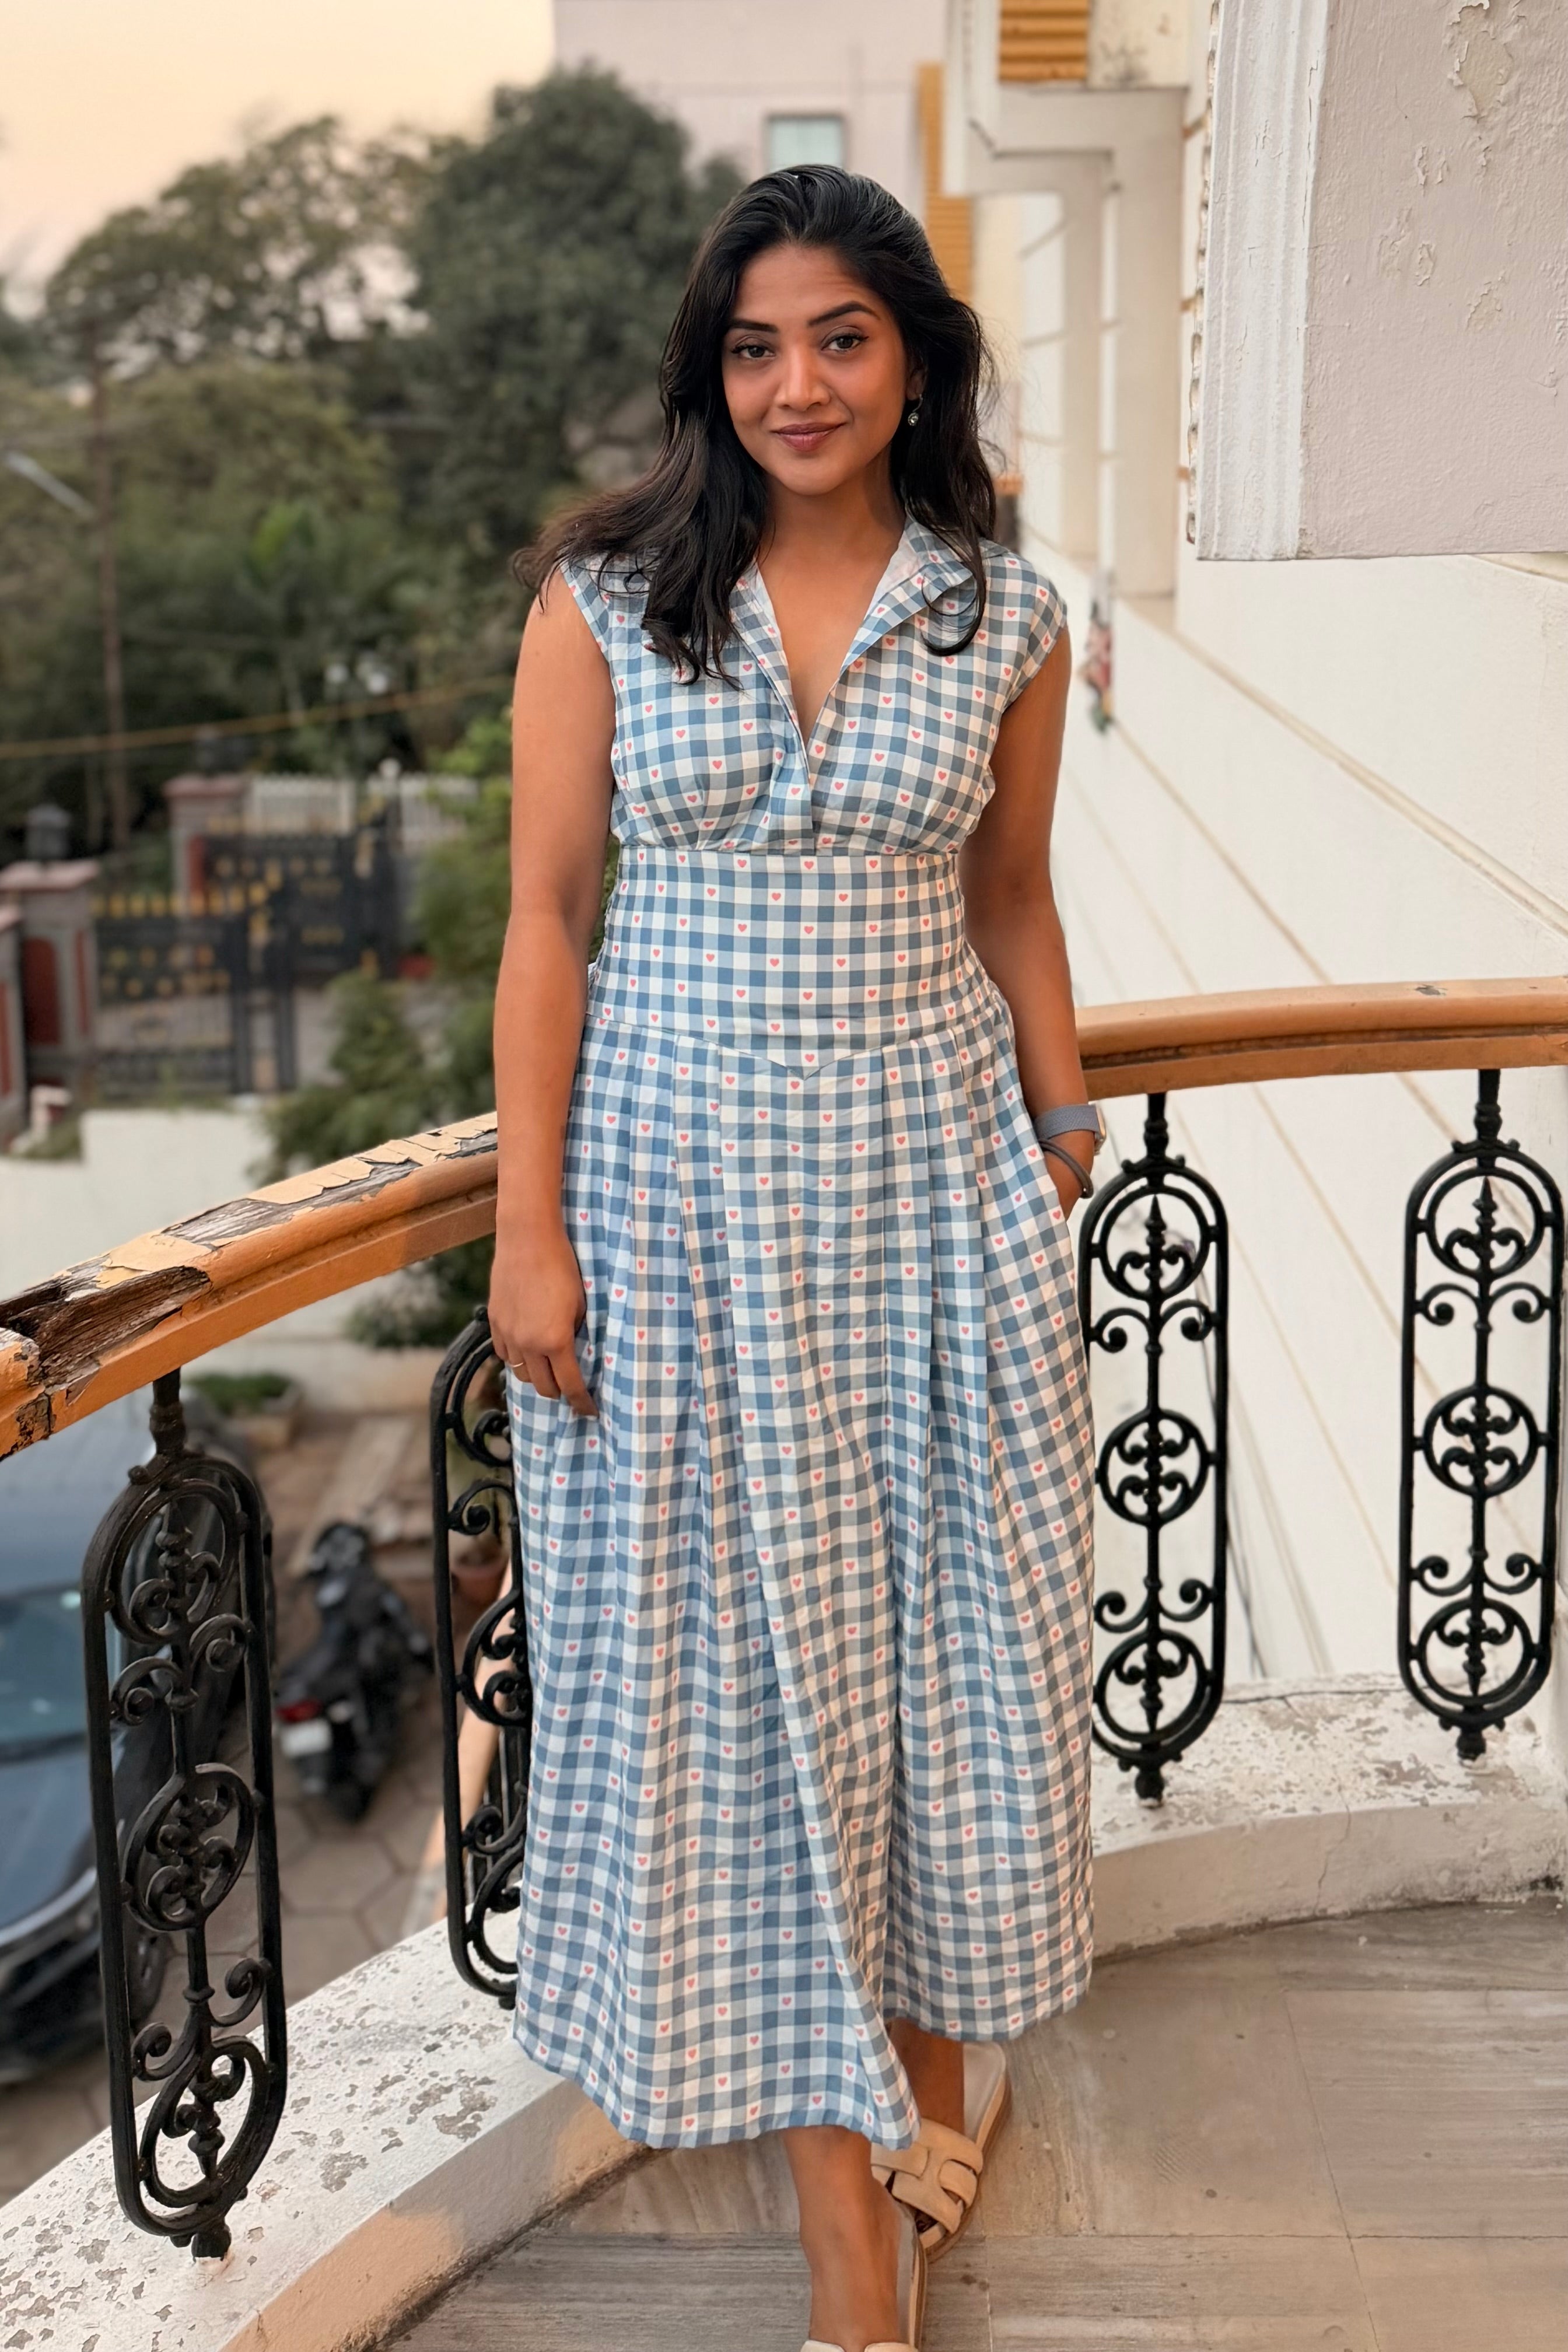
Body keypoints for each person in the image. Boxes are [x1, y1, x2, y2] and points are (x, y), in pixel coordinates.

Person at [489, 166, 1098, 2352]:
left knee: (952, 1665)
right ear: (709, 372)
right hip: (675, 1203)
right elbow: (549, 921)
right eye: (755, 345)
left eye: (840, 336)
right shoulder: (610, 599)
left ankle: (932, 2108)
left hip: (932, 1188)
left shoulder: (1000, 617)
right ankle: (857, 2252)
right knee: (747, 1693)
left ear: (913, 354)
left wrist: (1056, 1134)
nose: (797, 383)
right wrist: (524, 1233)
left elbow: (1012, 902)